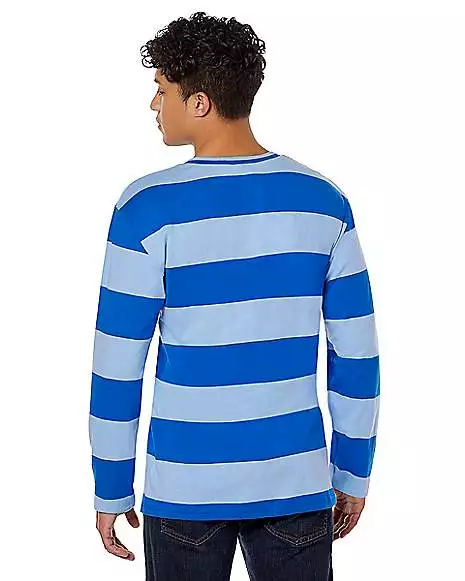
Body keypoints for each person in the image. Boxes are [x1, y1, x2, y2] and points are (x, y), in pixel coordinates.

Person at [88, 11, 380, 581]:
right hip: (295, 481)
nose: (153, 104)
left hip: (185, 487)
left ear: (199, 103)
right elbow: (357, 356)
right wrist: (352, 472)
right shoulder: (323, 202)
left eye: (162, 90)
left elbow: (117, 363)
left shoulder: (145, 208)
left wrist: (111, 483)